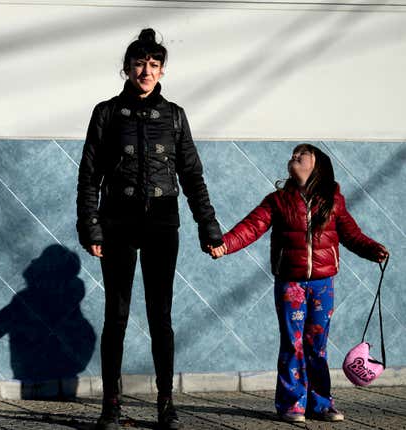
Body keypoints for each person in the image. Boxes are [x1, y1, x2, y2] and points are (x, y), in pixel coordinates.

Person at [77, 28, 223, 430]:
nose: (146, 71)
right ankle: (111, 407)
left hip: (162, 219)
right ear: (126, 68)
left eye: (154, 65)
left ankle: (166, 405)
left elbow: (192, 175)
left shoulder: (174, 115)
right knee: (117, 316)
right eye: (139, 64)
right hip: (118, 219)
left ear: (162, 71)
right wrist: (91, 226)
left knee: (161, 316)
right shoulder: (106, 112)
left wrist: (208, 227)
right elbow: (89, 175)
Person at [210, 144, 389, 423]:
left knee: (317, 345)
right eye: (293, 155)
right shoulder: (277, 200)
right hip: (290, 284)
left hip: (323, 284)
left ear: (317, 166)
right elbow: (250, 227)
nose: (294, 157)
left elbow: (351, 234)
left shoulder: (333, 200)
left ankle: (321, 403)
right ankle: (292, 404)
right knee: (292, 344)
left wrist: (372, 249)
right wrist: (224, 245)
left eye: (301, 155)